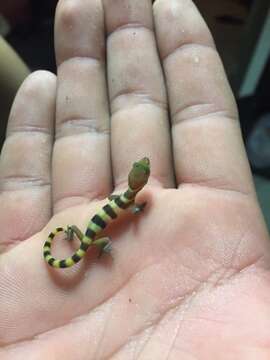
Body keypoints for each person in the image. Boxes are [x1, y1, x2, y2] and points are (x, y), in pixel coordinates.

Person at [1, 0, 269, 358]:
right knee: (94, 241)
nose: (142, 165)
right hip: (87, 243)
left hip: (86, 241)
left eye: (140, 167)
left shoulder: (126, 198)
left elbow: (123, 213)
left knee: (92, 240)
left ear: (134, 180)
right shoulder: (128, 201)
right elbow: (126, 214)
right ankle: (64, 245)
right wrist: (117, 230)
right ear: (137, 181)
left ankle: (64, 244)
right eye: (141, 166)